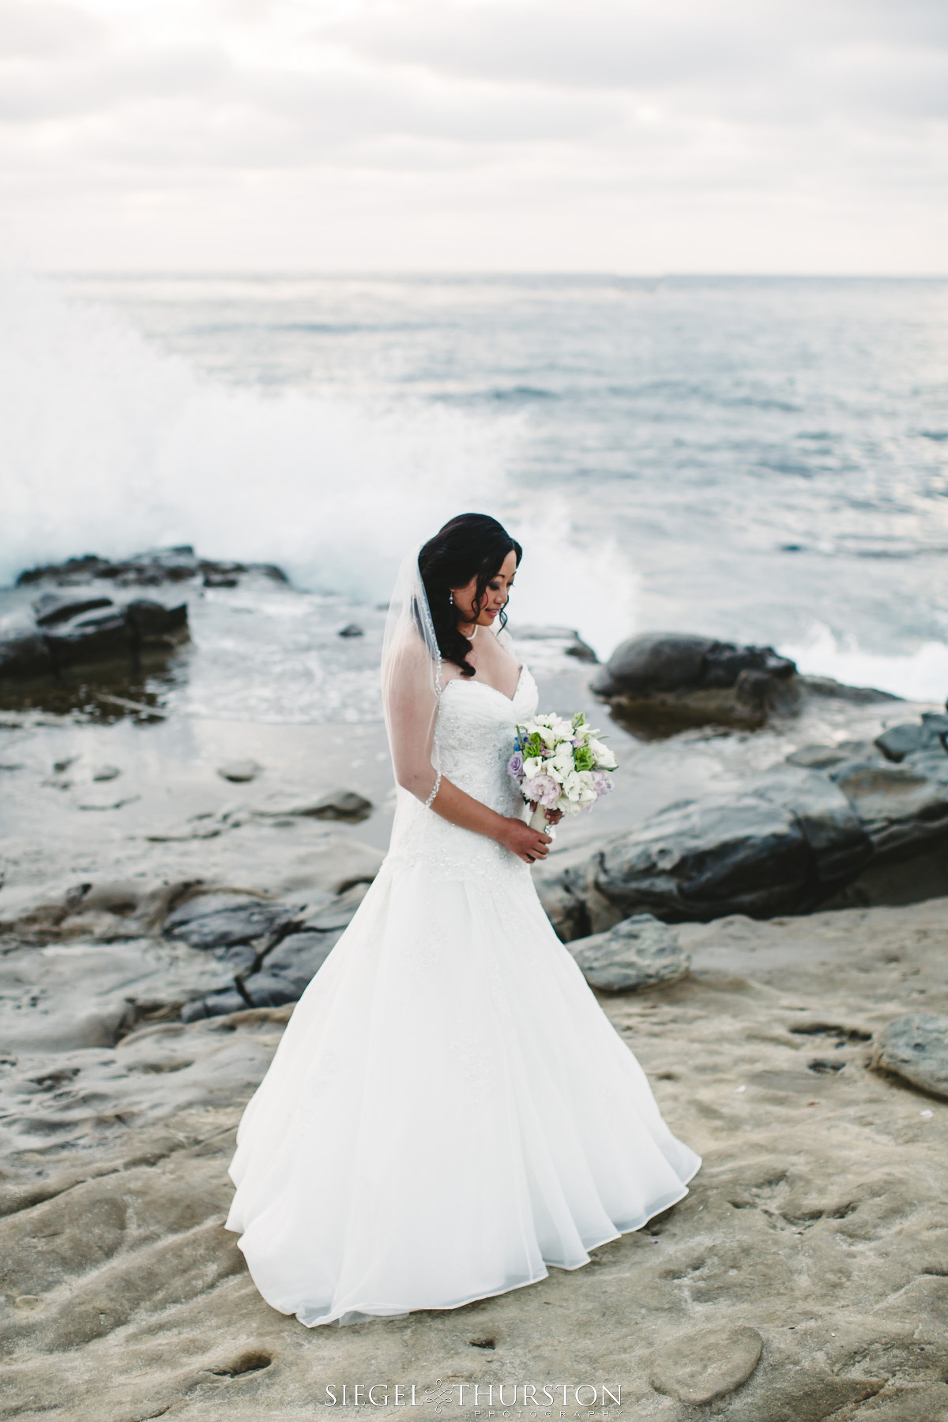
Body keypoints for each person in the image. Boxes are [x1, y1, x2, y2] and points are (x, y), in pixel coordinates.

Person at [225, 512, 701, 1327]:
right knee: (435, 1029)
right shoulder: (414, 654)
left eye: (512, 584)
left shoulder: (495, 642)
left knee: (521, 1018)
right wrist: (507, 828)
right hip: (443, 864)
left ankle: (538, 1187)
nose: (502, 597)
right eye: (494, 582)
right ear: (454, 574)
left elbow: (511, 738)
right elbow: (415, 776)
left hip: (500, 867)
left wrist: (549, 788)